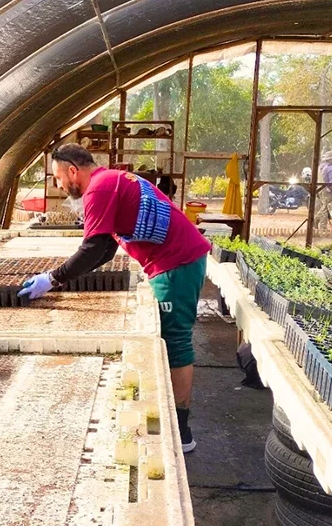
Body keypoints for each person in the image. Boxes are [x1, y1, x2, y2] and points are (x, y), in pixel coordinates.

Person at [18, 143, 211, 453]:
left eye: (57, 178)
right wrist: (61, 278)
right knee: (169, 338)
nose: (58, 184)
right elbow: (106, 249)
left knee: (174, 341)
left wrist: (53, 279)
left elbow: (93, 248)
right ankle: (176, 423)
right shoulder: (110, 181)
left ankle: (181, 432)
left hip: (176, 264)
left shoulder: (99, 189)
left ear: (73, 171)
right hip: (177, 261)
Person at [315, 152, 332, 231]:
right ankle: (321, 226)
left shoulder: (320, 167)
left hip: (320, 189)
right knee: (326, 208)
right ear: (331, 159)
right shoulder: (331, 168)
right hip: (328, 190)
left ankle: (318, 224)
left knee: (324, 207)